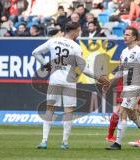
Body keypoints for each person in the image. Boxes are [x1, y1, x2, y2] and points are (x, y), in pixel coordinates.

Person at [32, 21, 109, 149]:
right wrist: (99, 78)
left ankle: (44, 141)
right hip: (69, 80)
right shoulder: (75, 47)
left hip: (55, 79)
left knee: (50, 109)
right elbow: (83, 69)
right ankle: (64, 143)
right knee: (68, 111)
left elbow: (35, 52)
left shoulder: (54, 41)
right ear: (73, 32)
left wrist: (48, 65)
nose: (79, 33)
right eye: (78, 31)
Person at [105, 33, 140, 143]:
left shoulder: (138, 53)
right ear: (136, 40)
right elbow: (121, 70)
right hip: (124, 85)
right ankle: (110, 136)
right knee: (121, 110)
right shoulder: (127, 52)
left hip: (134, 85)